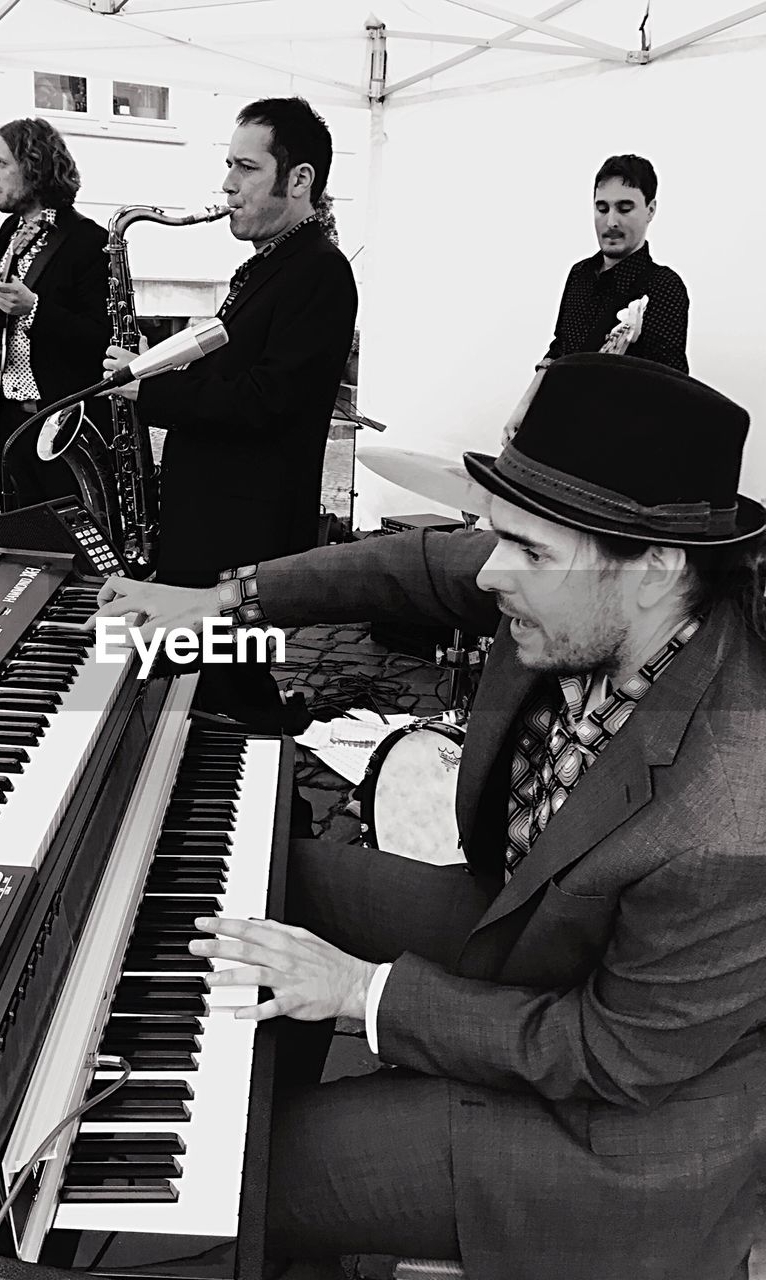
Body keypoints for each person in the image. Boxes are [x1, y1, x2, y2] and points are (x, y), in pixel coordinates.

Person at [94, 353, 766, 1280]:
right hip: (533, 935)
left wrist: (363, 994)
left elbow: (616, 1057)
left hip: (616, 1132)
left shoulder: (733, 807)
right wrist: (219, 601)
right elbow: (409, 564)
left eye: (525, 551)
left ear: (655, 568)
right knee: (263, 870)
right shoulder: (575, 583)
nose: (490, 573)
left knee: (249, 1174)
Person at [103, 95, 358, 728]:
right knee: (197, 690)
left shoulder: (320, 274)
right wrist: (155, 363)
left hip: (243, 535)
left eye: (246, 168)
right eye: (228, 165)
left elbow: (269, 400)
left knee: (227, 699)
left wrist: (151, 393)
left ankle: (257, 801)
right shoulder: (271, 264)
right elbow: (230, 369)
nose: (226, 184)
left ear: (299, 180)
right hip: (213, 523)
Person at [0, 117, 111, 511]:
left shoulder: (88, 241)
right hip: (10, 422)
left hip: (62, 427)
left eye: (2, 163)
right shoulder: (10, 232)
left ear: (34, 167)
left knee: (70, 547)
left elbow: (102, 337)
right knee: (19, 536)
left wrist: (36, 310)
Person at [543, 153, 689, 372]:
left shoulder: (665, 286)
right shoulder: (579, 274)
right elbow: (559, 349)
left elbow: (668, 386)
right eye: (602, 209)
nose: (611, 222)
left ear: (650, 210)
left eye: (624, 208)